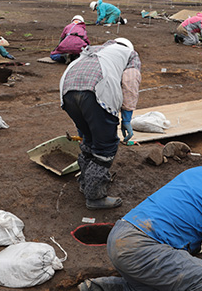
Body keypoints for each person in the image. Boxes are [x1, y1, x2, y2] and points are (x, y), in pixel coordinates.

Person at [60, 38, 141, 210]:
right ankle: (95, 196)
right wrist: (126, 117)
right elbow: (130, 82)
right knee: (106, 147)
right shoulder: (130, 55)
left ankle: (85, 182)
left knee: (89, 140)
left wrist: (82, 128)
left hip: (67, 89)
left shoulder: (96, 49)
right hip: (96, 91)